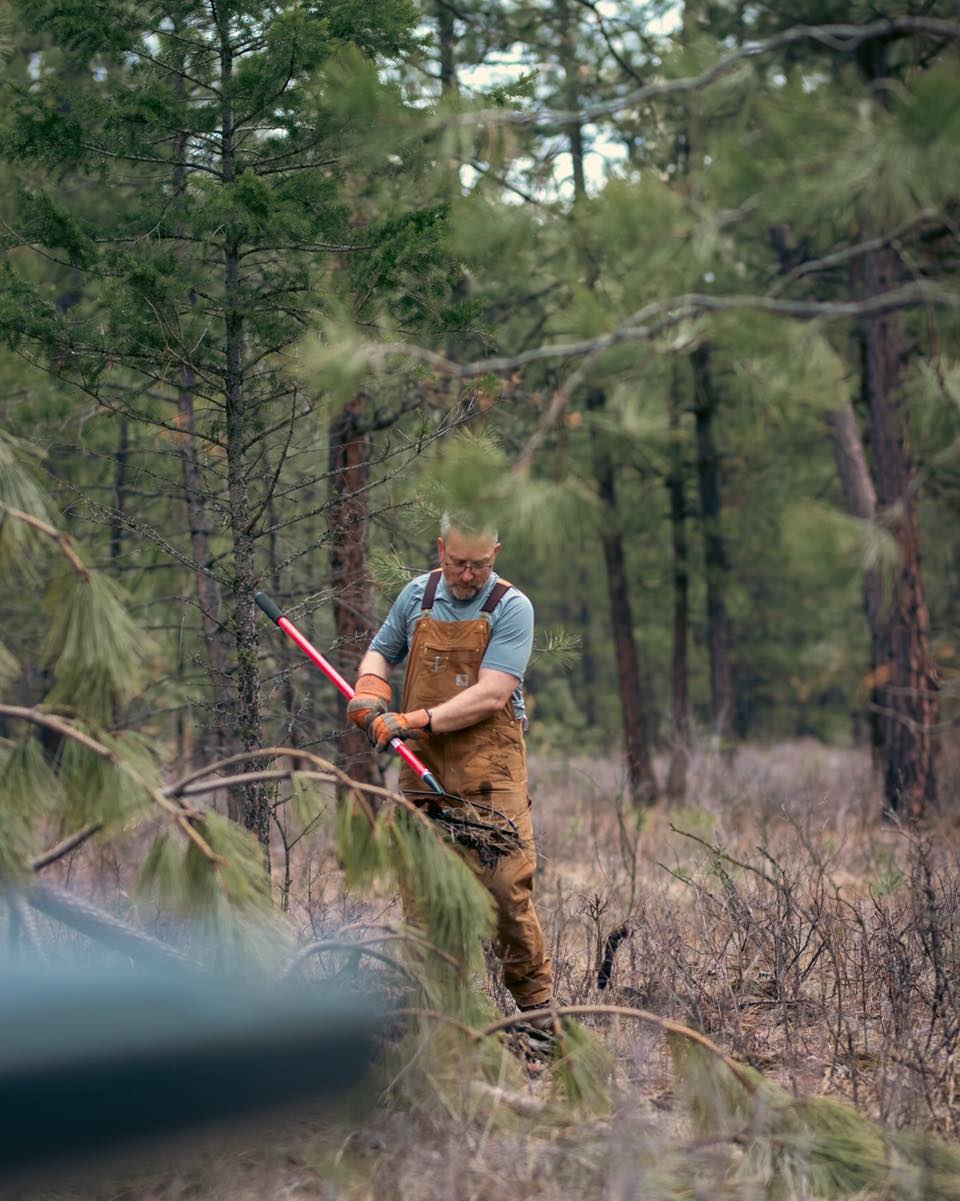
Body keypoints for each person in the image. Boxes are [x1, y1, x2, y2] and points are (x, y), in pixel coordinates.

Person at [346, 513, 553, 1015]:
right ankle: (441, 1020)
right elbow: (379, 652)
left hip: (490, 771)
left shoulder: (512, 606)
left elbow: (491, 694)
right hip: (422, 768)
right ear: (440, 549)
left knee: (506, 892)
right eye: (457, 563)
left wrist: (414, 718)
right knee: (425, 899)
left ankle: (539, 1017)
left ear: (495, 555)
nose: (467, 575)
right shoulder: (417, 596)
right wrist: (369, 691)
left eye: (478, 565)